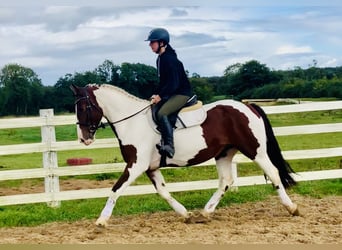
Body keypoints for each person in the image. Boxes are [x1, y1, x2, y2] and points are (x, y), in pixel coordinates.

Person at [145, 28, 193, 159]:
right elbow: (163, 83)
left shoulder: (170, 59)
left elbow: (173, 83)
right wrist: (155, 94)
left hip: (181, 93)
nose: (150, 45)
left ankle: (169, 146)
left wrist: (161, 96)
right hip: (172, 92)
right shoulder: (161, 59)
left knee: (162, 113)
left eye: (152, 42)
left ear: (161, 42)